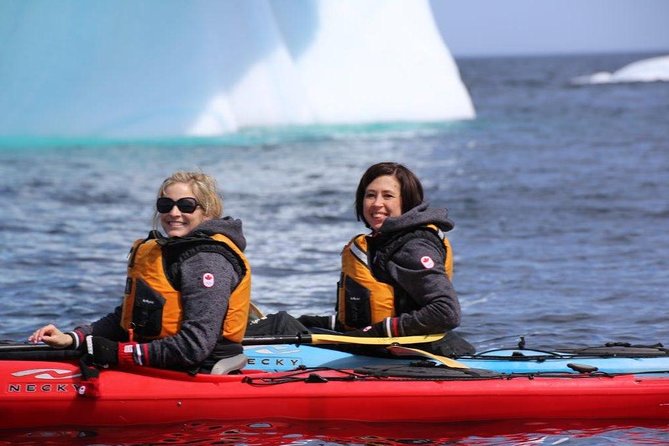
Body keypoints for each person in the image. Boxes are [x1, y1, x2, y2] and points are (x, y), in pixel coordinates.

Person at [29, 171, 251, 373]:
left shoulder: (207, 261)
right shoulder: (168, 250)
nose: (174, 213)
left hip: (197, 369)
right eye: (165, 205)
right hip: (158, 361)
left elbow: (195, 346)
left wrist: (117, 352)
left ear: (207, 211)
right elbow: (127, 319)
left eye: (186, 205)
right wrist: (73, 338)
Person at [297, 162, 474, 356]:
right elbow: (375, 314)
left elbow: (446, 313)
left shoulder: (412, 246)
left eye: (388, 196)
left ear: (406, 202)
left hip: (414, 353)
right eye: (370, 195)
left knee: (283, 329)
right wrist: (310, 322)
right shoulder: (384, 241)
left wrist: (378, 333)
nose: (376, 203)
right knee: (289, 325)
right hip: (387, 349)